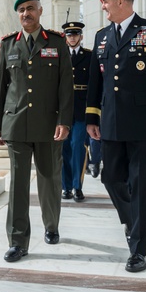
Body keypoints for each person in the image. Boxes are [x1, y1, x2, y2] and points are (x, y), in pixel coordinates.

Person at [86, 0, 146, 273]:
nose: (103, 6)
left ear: (122, 2)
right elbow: (95, 83)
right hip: (111, 125)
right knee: (110, 179)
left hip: (144, 125)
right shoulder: (101, 37)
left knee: (141, 188)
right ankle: (131, 218)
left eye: (106, 2)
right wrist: (91, 117)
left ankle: (138, 249)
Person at [0, 0, 74, 263]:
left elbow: (65, 86)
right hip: (15, 125)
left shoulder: (57, 43)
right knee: (18, 185)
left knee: (50, 179)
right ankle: (17, 240)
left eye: (31, 8)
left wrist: (64, 121)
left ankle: (51, 225)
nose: (26, 13)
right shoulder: (7, 45)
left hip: (49, 125)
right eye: (22, 10)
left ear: (40, 11)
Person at [61, 20, 90, 202]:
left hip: (81, 108)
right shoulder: (59, 55)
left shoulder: (89, 56)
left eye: (75, 34)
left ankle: (77, 186)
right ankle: (66, 187)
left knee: (78, 146)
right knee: (64, 149)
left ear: (81, 36)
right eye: (69, 35)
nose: (72, 38)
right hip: (63, 108)